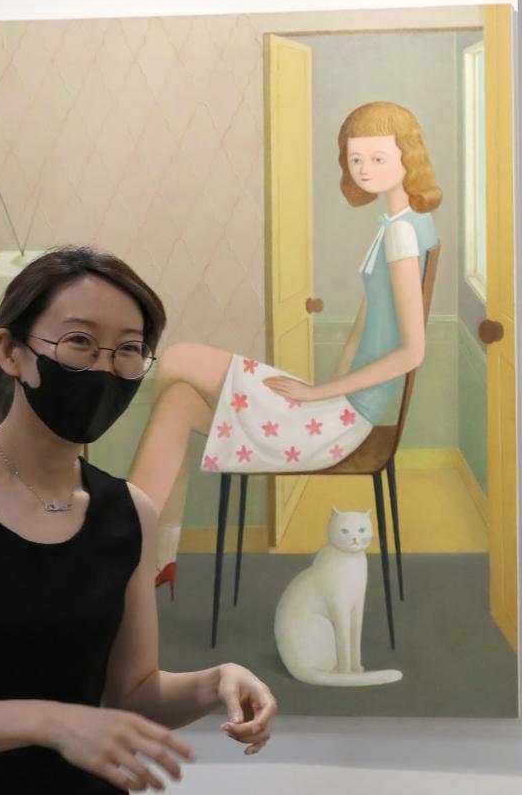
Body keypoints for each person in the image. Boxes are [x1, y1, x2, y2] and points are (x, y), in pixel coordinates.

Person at [0, 246, 277, 794]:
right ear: (12, 352)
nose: (104, 367)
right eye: (80, 342)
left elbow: (134, 693)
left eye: (128, 350)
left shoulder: (129, 513)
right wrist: (46, 721)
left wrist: (216, 682)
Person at [127, 100, 442, 592]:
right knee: (176, 403)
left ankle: (126, 554)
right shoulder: (401, 225)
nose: (364, 170)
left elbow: (412, 352)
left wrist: (318, 396)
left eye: (378, 158)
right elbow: (363, 326)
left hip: (343, 421)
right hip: (335, 404)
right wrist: (325, 389)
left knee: (177, 360)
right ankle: (153, 558)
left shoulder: (402, 234)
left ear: (409, 156)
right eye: (356, 159)